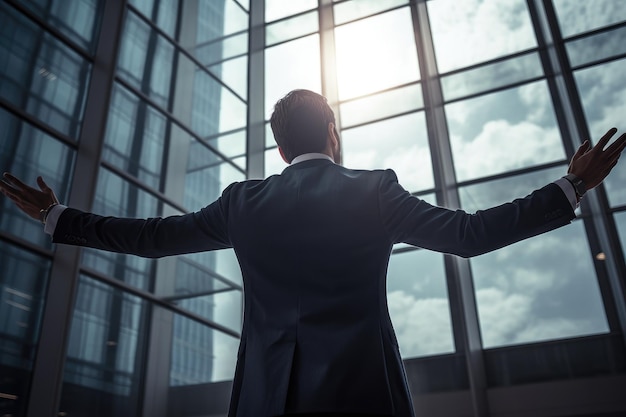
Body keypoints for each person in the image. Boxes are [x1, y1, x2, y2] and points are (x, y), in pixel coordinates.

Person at [1, 89, 625, 417]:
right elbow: (470, 236)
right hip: (364, 396)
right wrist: (571, 186)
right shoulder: (374, 190)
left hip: (267, 399)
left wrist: (60, 217)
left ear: (278, 151)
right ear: (333, 133)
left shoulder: (244, 203)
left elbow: (153, 239)